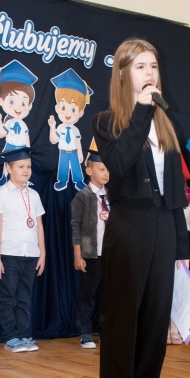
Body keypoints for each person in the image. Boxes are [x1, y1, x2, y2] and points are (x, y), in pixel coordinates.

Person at [93, 37, 189, 378]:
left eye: (153, 66)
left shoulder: (164, 123)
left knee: (154, 319)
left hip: (163, 225)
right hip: (129, 226)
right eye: (140, 67)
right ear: (123, 73)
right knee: (123, 319)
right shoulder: (107, 121)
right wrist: (142, 112)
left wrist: (181, 245)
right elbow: (117, 163)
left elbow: (176, 191)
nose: (150, 73)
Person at [0, 148, 45, 352]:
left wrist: (42, 253)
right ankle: (10, 337)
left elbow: (39, 226)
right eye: (21, 167)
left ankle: (23, 334)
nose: (26, 170)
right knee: (8, 297)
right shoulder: (0, 195)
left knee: (24, 298)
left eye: (28, 167)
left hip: (30, 254)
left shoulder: (34, 195)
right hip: (9, 254)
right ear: (8, 168)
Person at [71, 141, 110, 348]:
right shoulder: (83, 196)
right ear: (89, 170)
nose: (106, 173)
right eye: (101, 169)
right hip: (90, 254)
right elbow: (75, 226)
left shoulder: (111, 196)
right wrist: (78, 255)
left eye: (108, 170)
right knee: (88, 296)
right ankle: (85, 332)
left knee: (107, 296)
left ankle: (105, 332)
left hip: (109, 255)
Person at [0, 60, 38, 186]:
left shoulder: (23, 125)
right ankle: (4, 176)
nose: (18, 107)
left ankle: (24, 180)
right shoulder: (9, 123)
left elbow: (26, 136)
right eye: (12, 101)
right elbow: (1, 134)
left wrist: (28, 150)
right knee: (8, 163)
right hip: (11, 146)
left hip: (22, 147)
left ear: (29, 105)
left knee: (22, 165)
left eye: (23, 103)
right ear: (1, 101)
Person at [48, 68, 90, 191]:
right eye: (63, 107)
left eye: (73, 109)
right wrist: (52, 127)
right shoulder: (60, 127)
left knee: (76, 167)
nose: (67, 113)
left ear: (80, 112)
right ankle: (62, 181)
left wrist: (80, 154)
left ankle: (79, 181)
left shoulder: (75, 129)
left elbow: (78, 142)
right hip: (63, 152)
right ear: (57, 108)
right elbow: (54, 139)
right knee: (63, 167)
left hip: (74, 152)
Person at [168, 189, 190, 345]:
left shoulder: (189, 207)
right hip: (166, 242)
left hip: (183, 246)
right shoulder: (164, 204)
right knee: (166, 287)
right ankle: (165, 329)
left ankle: (175, 328)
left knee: (179, 287)